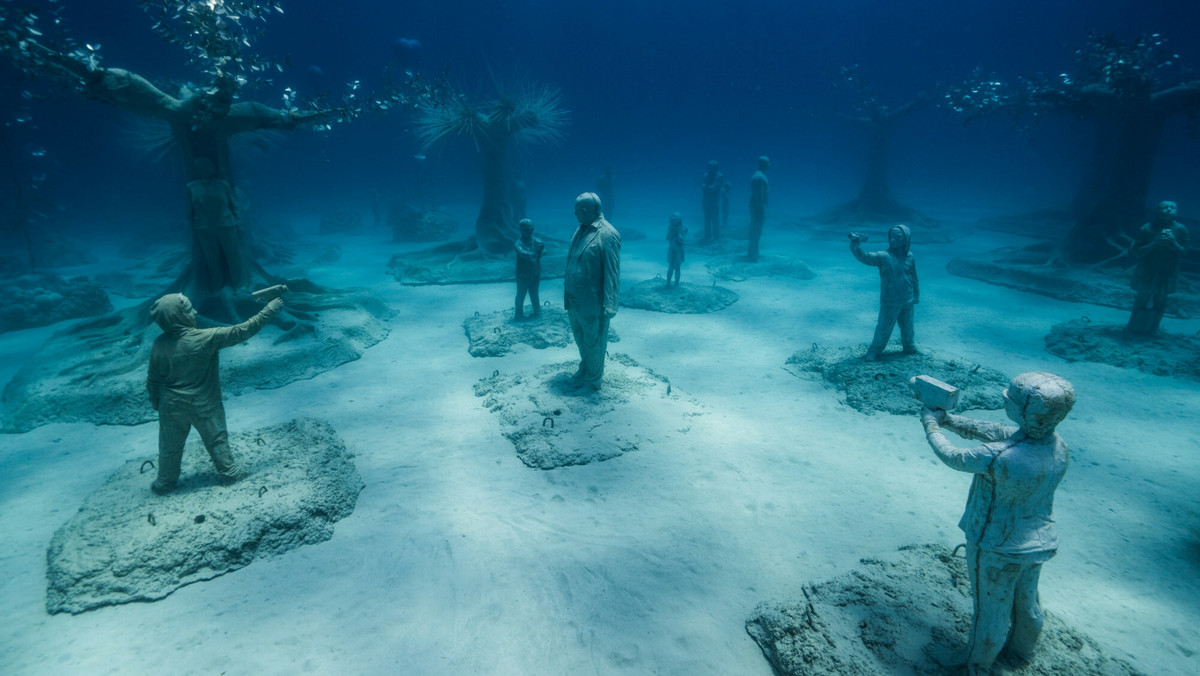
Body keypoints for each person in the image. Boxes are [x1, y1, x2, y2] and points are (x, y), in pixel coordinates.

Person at [919, 372, 1076, 675]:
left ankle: (976, 665)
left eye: (1010, 399)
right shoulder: (1057, 445)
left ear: (1023, 411)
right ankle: (1021, 653)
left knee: (990, 613)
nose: (1005, 399)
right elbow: (999, 431)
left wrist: (930, 423)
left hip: (995, 544)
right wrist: (949, 420)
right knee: (1027, 603)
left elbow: (952, 456)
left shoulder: (1001, 457)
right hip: (1038, 540)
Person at [145, 290, 285, 494]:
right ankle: (230, 473)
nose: (195, 311)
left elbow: (153, 379)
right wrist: (270, 309)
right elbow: (242, 331)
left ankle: (165, 483)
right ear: (179, 316)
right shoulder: (206, 338)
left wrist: (156, 403)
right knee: (216, 439)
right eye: (189, 310)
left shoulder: (159, 344)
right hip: (204, 405)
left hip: (170, 407)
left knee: (169, 449)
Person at [564, 193, 620, 390]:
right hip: (575, 300)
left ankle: (593, 380)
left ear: (587, 211)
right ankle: (585, 368)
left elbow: (612, 272)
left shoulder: (608, 234)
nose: (574, 213)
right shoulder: (580, 230)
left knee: (594, 342)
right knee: (581, 339)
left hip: (593, 302)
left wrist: (610, 304)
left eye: (578, 210)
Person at [849, 225, 918, 360]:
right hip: (890, 301)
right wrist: (855, 245)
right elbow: (865, 257)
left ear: (906, 239)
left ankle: (909, 347)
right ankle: (874, 351)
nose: (892, 240)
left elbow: (914, 277)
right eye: (891, 236)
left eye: (897, 237)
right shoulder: (883, 256)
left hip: (908, 299)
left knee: (908, 328)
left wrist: (916, 294)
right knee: (884, 327)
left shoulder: (910, 256)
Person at [1127, 200, 1189, 334]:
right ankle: (1132, 326)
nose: (1168, 209)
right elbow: (1137, 251)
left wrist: (1173, 243)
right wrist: (1155, 243)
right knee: (1142, 296)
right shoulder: (1147, 228)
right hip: (1148, 268)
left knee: (1161, 299)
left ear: (1176, 211)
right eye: (1165, 207)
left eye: (1172, 207)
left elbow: (1184, 252)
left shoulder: (1181, 230)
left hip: (1167, 270)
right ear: (1157, 211)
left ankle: (1154, 328)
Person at [187, 157, 243, 290]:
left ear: (213, 169)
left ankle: (238, 285)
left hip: (226, 224)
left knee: (233, 256)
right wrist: (193, 228)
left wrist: (238, 223)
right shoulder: (191, 187)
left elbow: (234, 205)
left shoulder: (223, 185)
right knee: (211, 258)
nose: (205, 170)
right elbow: (190, 210)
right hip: (203, 227)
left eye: (208, 166)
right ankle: (216, 285)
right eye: (202, 167)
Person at [514, 218, 545, 320]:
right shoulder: (518, 243)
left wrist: (539, 251)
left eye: (531, 229)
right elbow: (522, 253)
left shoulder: (536, 241)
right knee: (521, 294)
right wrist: (536, 252)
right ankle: (518, 314)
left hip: (535, 272)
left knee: (534, 293)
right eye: (527, 229)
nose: (530, 232)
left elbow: (544, 251)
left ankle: (537, 311)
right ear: (521, 230)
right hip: (523, 274)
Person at [748, 156, 770, 261]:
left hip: (757, 206)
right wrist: (761, 209)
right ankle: (752, 255)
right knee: (756, 230)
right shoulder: (759, 177)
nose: (770, 165)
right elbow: (758, 196)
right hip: (758, 207)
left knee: (756, 230)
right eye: (768, 163)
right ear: (764, 164)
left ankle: (754, 253)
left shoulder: (759, 176)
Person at [701, 160, 727, 241]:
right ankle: (707, 237)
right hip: (706, 201)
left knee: (715, 220)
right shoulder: (705, 175)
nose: (708, 168)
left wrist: (706, 188)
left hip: (714, 202)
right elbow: (703, 186)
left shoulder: (719, 176)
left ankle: (716, 237)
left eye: (710, 166)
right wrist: (708, 188)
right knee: (706, 220)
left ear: (715, 167)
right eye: (708, 166)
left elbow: (715, 188)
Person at [666, 211, 686, 287]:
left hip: (678, 251)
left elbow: (680, 240)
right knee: (671, 267)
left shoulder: (682, 228)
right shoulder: (671, 227)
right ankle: (668, 283)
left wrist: (677, 233)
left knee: (676, 267)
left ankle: (676, 284)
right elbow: (668, 238)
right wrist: (672, 232)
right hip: (672, 250)